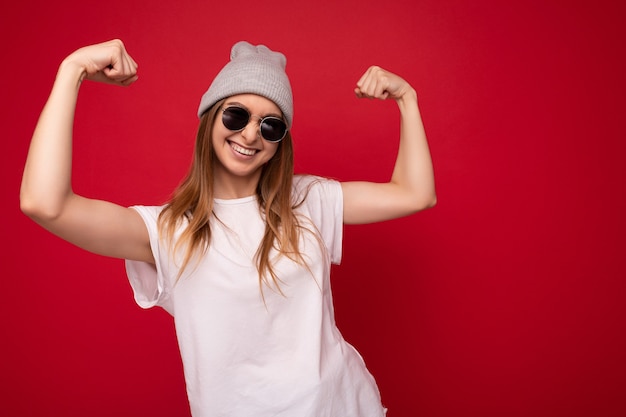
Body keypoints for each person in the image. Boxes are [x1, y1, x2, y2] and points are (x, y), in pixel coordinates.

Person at [20, 39, 436, 417]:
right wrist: (71, 69)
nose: (251, 134)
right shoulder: (168, 231)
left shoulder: (308, 201)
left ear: (279, 144)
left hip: (341, 405)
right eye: (236, 115)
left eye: (271, 125)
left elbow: (415, 193)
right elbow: (45, 204)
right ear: (210, 119)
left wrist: (408, 99)